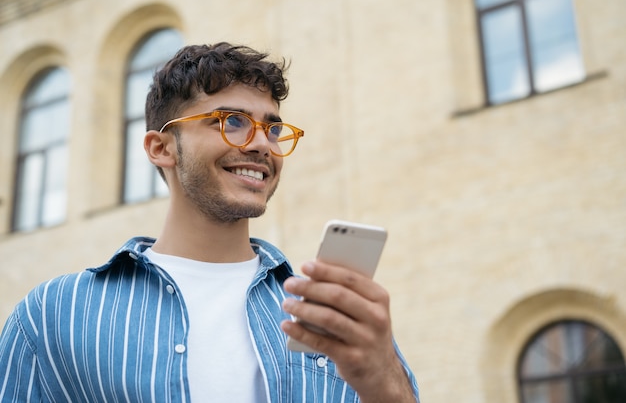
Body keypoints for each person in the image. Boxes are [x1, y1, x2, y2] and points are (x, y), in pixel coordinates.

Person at [0, 42, 420, 402]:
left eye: (273, 130)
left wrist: (385, 379)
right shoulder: (53, 315)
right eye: (231, 122)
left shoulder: (330, 314)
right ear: (161, 147)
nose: (261, 145)